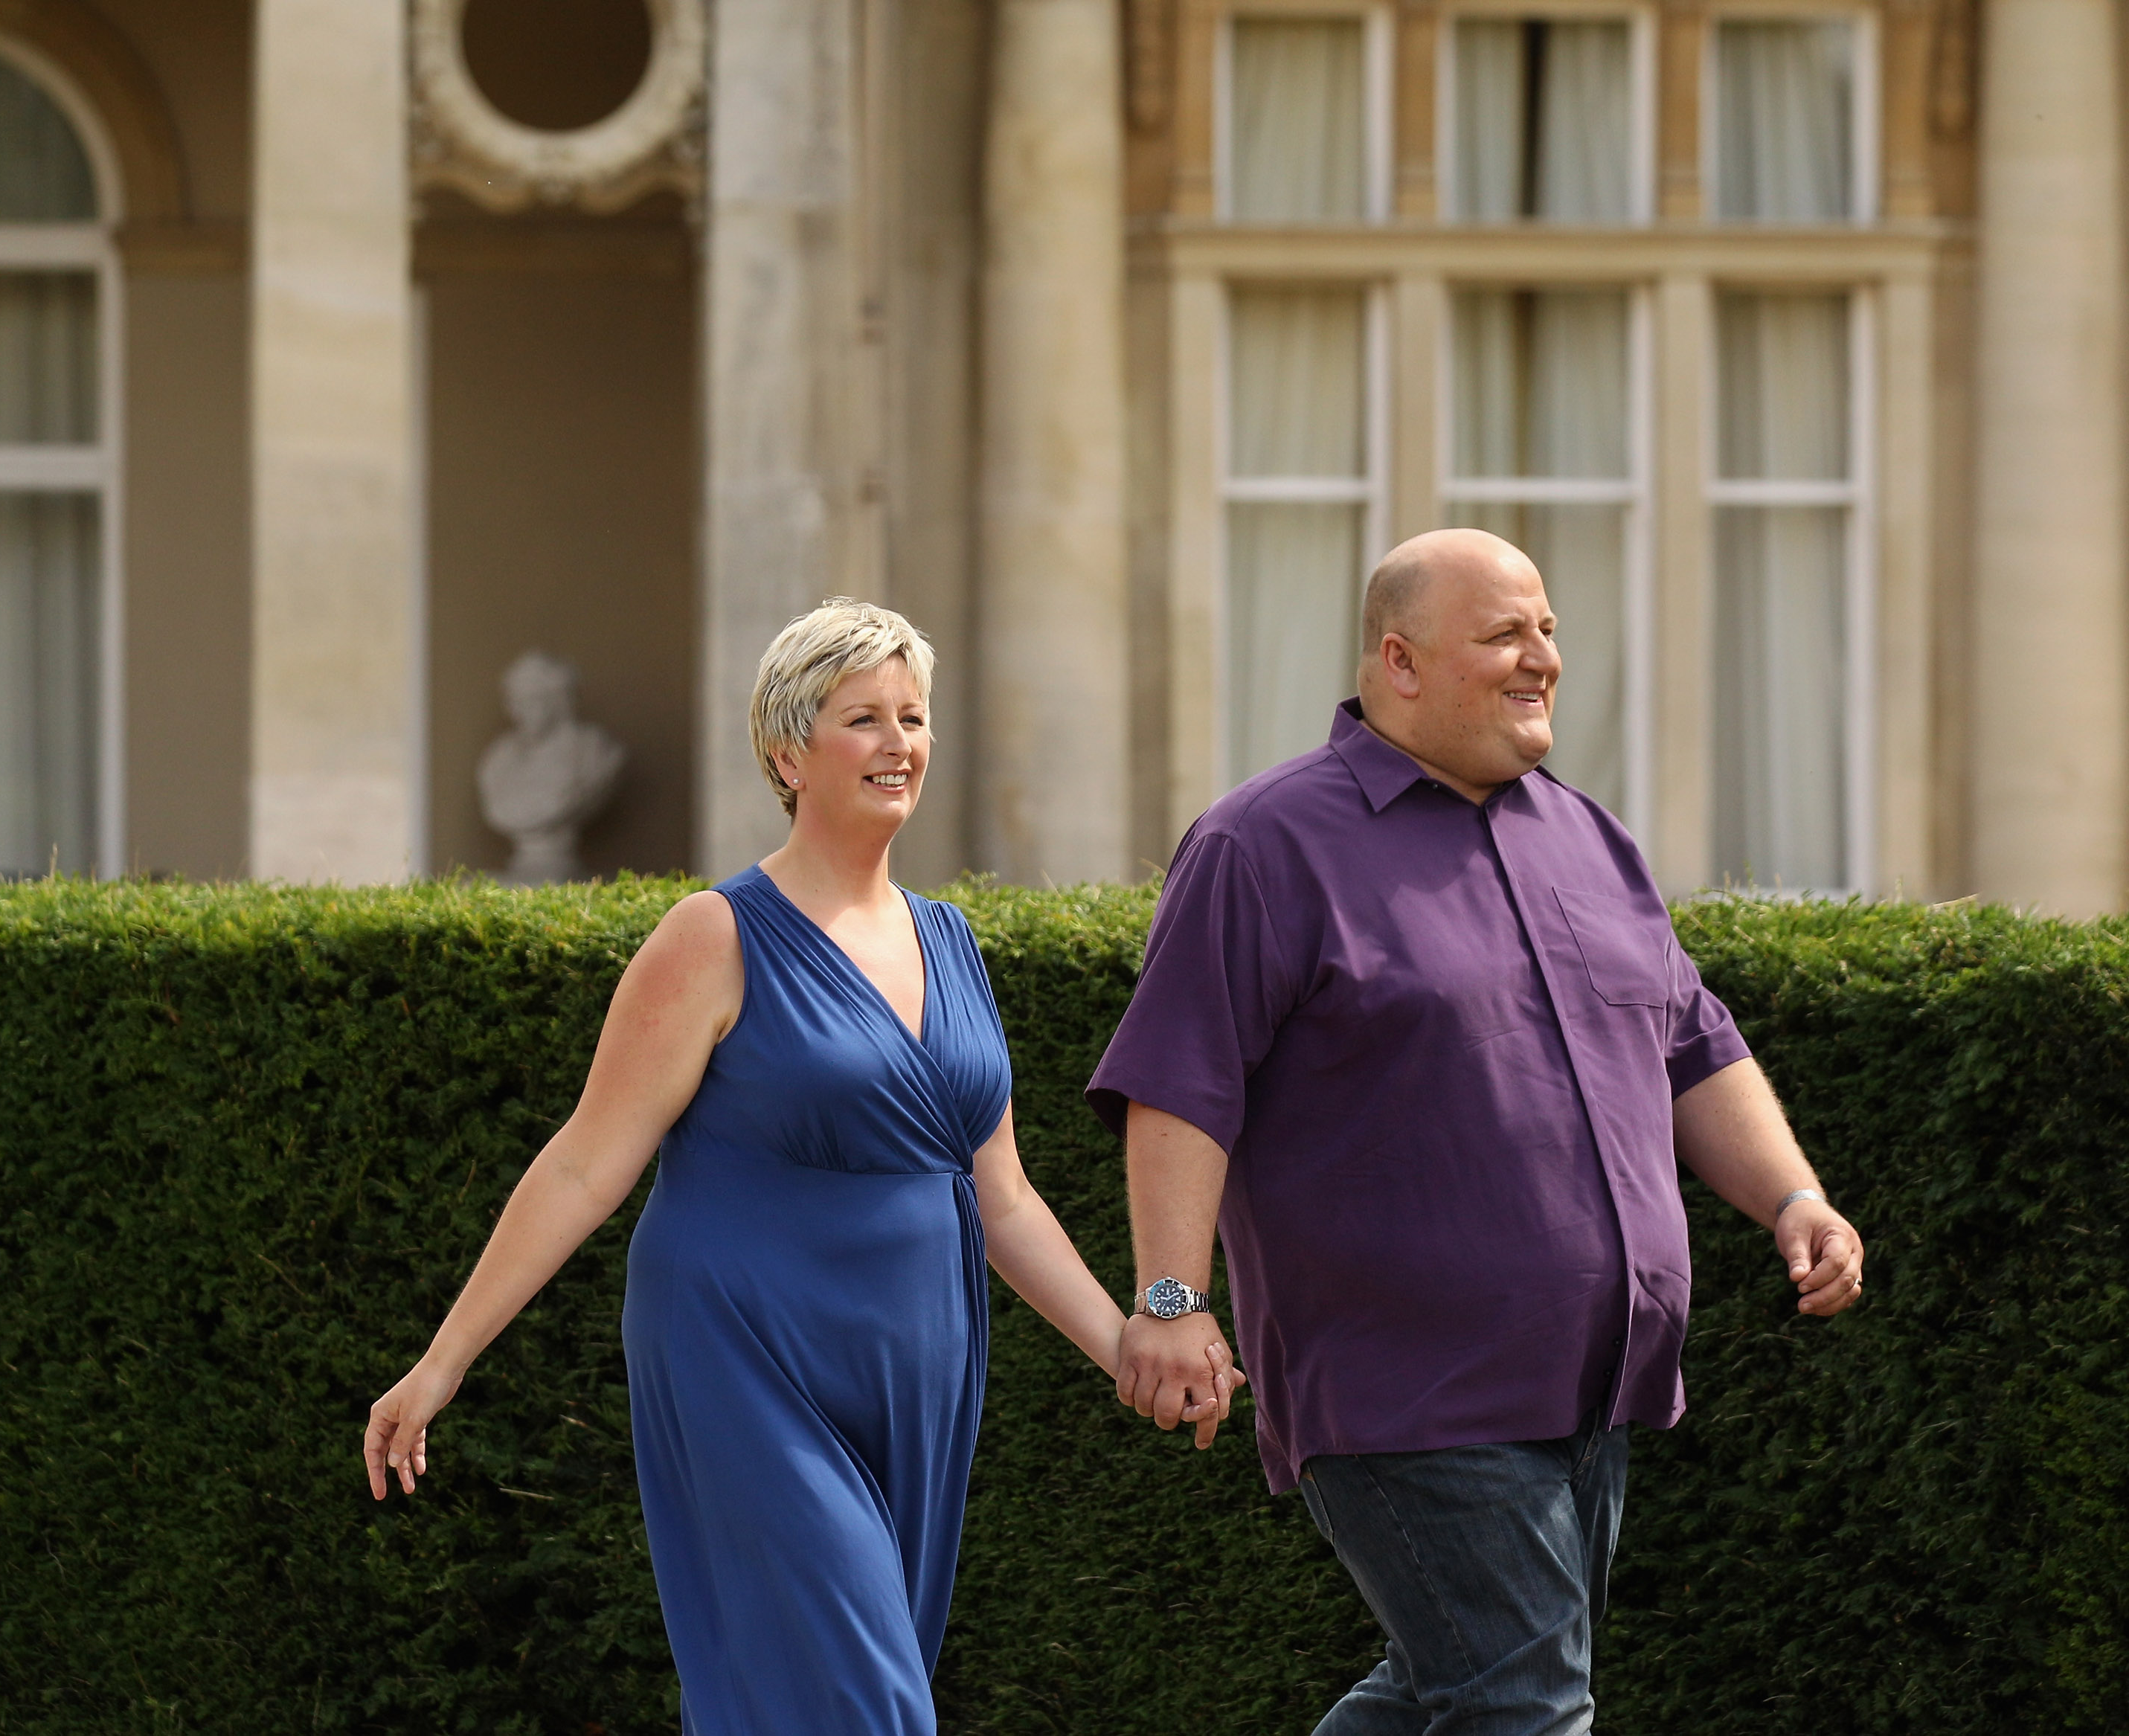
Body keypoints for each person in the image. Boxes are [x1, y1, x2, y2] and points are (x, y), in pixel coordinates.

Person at [364, 598, 1239, 1735]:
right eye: (862, 718)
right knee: (861, 1704)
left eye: (914, 717)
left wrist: (1129, 1341)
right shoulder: (713, 936)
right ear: (788, 752)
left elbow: (1004, 1199)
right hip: (745, 1356)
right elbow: (586, 1163)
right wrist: (443, 1361)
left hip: (918, 1369)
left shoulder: (953, 943)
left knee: (815, 1701)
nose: (899, 743)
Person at [1091, 529, 1866, 1734]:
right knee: (1525, 1701)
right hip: (1411, 1384)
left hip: (1594, 1380)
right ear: (1399, 661)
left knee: (1452, 1689)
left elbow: (1691, 1045)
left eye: (1548, 629)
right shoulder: (1263, 846)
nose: (1543, 658)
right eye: (1506, 633)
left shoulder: (1590, 840)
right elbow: (1181, 1084)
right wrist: (1172, 1302)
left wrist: (1794, 1199)